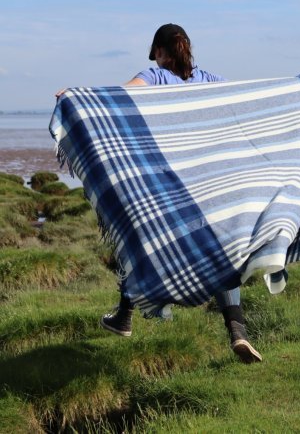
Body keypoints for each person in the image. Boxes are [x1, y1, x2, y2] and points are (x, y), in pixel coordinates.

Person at [97, 23, 262, 363]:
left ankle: (125, 316)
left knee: (139, 240)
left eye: (154, 53)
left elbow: (122, 95)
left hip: (166, 183)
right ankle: (238, 333)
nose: (154, 59)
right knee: (220, 252)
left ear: (160, 51)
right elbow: (243, 102)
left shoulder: (155, 76)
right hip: (207, 183)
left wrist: (78, 97)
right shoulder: (210, 80)